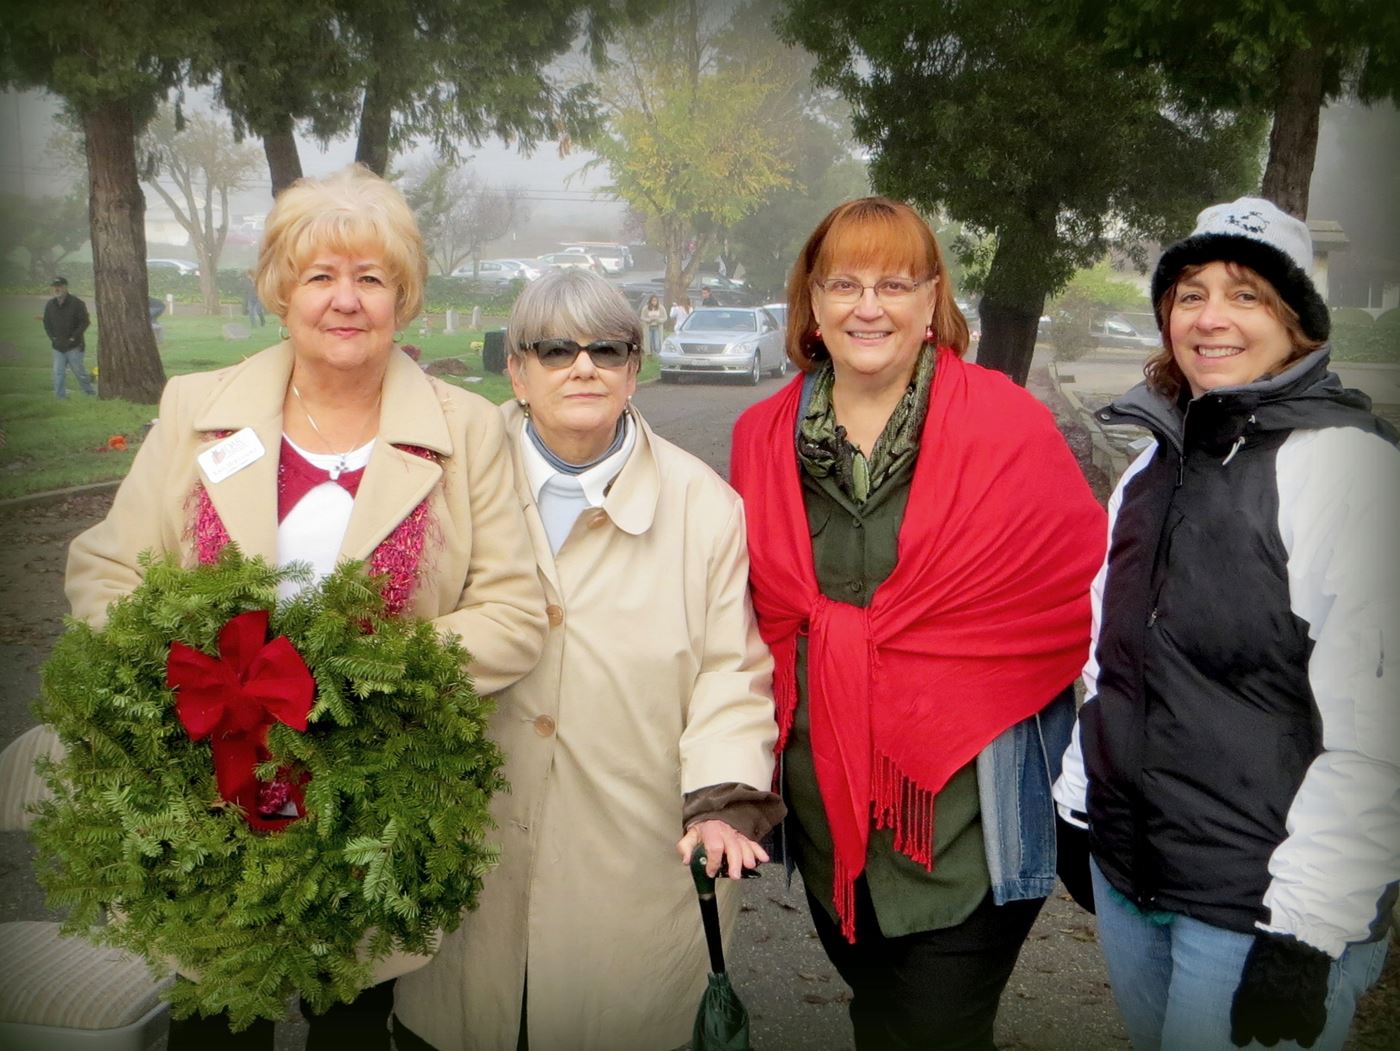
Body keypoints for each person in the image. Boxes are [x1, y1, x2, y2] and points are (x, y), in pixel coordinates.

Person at [64, 164, 548, 1051]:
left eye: (371, 278)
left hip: (370, 792)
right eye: (320, 275)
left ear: (402, 298)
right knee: (216, 1018)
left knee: (351, 1023)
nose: (345, 300)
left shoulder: (466, 428)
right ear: (281, 290)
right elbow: (105, 570)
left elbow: (514, 609)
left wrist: (355, 681)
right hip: (206, 782)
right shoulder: (197, 410)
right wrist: (191, 681)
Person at [729, 196, 1106, 1050]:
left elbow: (1072, 593)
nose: (870, 306)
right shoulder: (759, 440)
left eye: (895, 283)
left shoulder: (1008, 426)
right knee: (878, 1014)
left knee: (941, 1025)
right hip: (829, 814)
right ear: (812, 305)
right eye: (845, 284)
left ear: (933, 298)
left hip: (972, 818)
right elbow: (742, 612)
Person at [393, 268, 783, 1051]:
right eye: (554, 349)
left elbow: (730, 673)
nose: (583, 367)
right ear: (515, 368)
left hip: (631, 854)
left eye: (608, 349)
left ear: (635, 368)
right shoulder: (440, 476)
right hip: (468, 845)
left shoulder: (704, 504)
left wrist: (720, 802)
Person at [1053, 197, 1399, 1051]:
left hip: (1261, 910)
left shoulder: (1345, 468)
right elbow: (1110, 658)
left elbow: (1378, 732)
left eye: (1247, 295)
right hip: (1137, 879)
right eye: (1191, 292)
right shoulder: (1150, 464)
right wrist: (1077, 804)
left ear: (1299, 326)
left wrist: (1309, 930)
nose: (1211, 317)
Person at [43, 275, 94, 399]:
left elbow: (85, 322)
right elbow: (46, 322)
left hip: (74, 346)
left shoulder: (77, 303)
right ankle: (60, 397)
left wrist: (73, 338)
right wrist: (53, 338)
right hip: (58, 346)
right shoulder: (50, 304)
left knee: (79, 373)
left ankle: (91, 394)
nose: (57, 289)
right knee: (58, 373)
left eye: (59, 286)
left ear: (65, 287)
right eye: (55, 287)